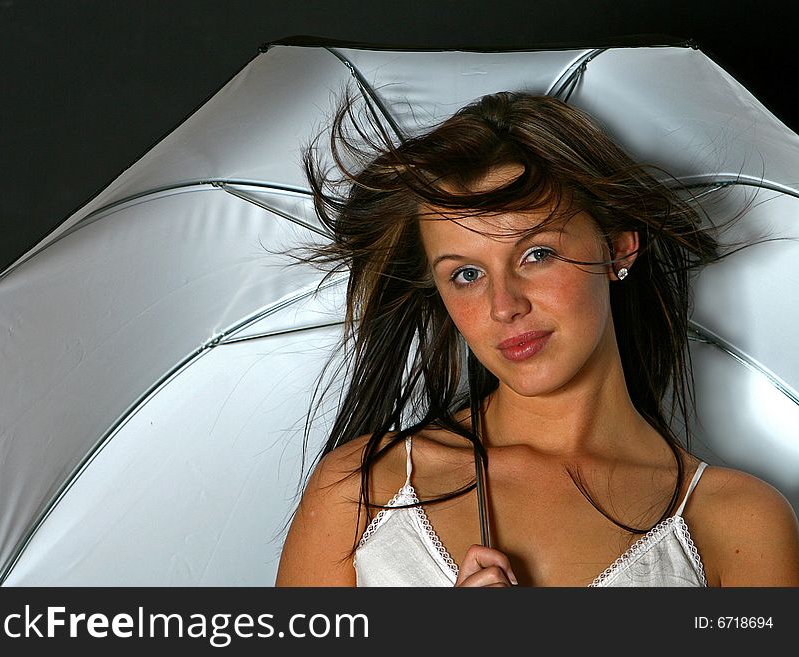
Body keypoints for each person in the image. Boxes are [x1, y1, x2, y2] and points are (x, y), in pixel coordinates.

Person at [274, 91, 799, 587]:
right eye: (466, 275)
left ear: (617, 249)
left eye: (537, 254)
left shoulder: (738, 524)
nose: (505, 306)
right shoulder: (362, 488)